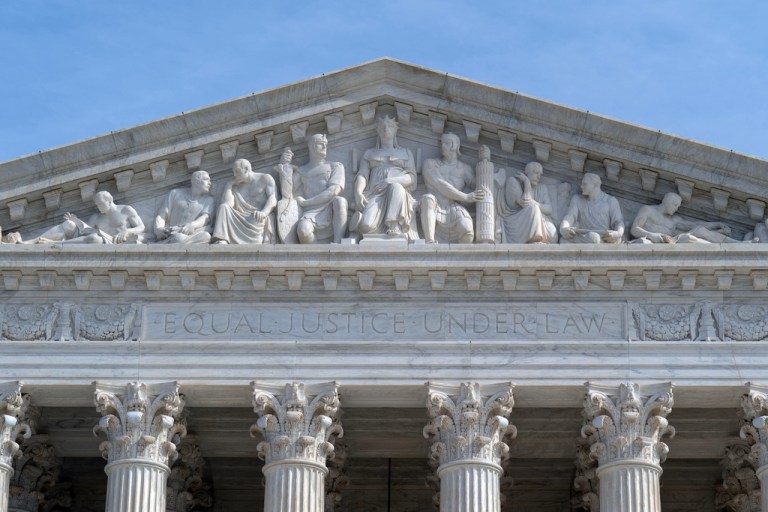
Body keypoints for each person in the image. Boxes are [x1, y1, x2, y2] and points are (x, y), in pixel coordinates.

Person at [350, 116, 418, 241]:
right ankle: (360, 224)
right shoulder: (369, 153)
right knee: (367, 226)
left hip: (399, 195)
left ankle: (394, 225)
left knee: (396, 187)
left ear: (396, 130)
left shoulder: (406, 153)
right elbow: (362, 175)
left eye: (390, 126)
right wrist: (358, 192)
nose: (386, 129)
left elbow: (412, 178)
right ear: (378, 131)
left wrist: (389, 181)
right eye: (382, 127)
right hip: (375, 194)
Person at [420, 133, 484, 244]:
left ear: (454, 146)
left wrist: (485, 160)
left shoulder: (464, 169)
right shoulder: (431, 164)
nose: (442, 146)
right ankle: (429, 241)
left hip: (453, 208)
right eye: (442, 143)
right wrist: (466, 197)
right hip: (435, 206)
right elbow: (440, 184)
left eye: (446, 143)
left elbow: (480, 188)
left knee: (467, 231)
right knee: (428, 199)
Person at [290, 134, 348, 244]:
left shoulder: (335, 166)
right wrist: (286, 166)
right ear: (311, 147)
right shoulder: (302, 171)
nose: (324, 147)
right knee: (303, 231)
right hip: (310, 212)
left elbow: (333, 191)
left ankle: (337, 244)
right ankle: (318, 255)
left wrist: (306, 202)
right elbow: (287, 190)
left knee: (340, 201)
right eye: (320, 144)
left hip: (330, 208)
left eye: (325, 144)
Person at [29, 191, 145, 244]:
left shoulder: (125, 210)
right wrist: (76, 222)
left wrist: (127, 231)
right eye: (97, 205)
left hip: (115, 243)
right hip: (95, 239)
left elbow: (141, 227)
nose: (99, 207)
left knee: (95, 239)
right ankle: (32, 241)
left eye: (101, 204)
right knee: (69, 224)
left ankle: (54, 244)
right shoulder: (96, 217)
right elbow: (85, 231)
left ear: (109, 201)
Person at [631, 192, 748, 244]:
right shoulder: (647, 210)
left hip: (672, 241)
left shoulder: (674, 220)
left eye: (678, 206)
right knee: (688, 238)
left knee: (700, 230)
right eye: (675, 205)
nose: (676, 208)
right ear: (666, 201)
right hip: (654, 242)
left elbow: (695, 224)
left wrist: (717, 224)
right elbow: (634, 229)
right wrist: (651, 235)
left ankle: (737, 244)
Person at [212, 159, 277, 244]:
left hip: (256, 218)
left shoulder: (265, 178)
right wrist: (229, 185)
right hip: (239, 218)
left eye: (237, 171)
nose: (234, 175)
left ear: (246, 169)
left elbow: (273, 198)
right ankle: (222, 239)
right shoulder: (236, 186)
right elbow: (228, 204)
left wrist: (264, 212)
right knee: (223, 207)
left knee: (256, 219)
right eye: (233, 172)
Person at [496, 161, 558, 244]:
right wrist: (526, 182)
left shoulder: (542, 188)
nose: (539, 177)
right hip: (515, 219)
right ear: (527, 172)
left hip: (537, 216)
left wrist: (535, 204)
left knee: (553, 236)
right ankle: (534, 239)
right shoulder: (513, 181)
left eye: (540, 174)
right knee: (533, 209)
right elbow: (525, 202)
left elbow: (549, 209)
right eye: (536, 173)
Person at [560, 173, 624, 244]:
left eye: (585, 184)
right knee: (563, 240)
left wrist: (618, 234)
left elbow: (618, 222)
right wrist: (563, 228)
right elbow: (569, 217)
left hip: (603, 238)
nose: (581, 186)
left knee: (593, 238)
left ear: (595, 185)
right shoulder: (577, 199)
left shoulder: (610, 201)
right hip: (583, 236)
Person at [153, 170, 214, 244]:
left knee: (205, 236)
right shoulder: (175, 193)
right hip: (171, 233)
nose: (210, 183)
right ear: (196, 181)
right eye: (206, 179)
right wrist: (158, 229)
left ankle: (175, 242)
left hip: (190, 235)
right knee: (178, 237)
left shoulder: (209, 200)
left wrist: (191, 225)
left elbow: (205, 218)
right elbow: (161, 216)